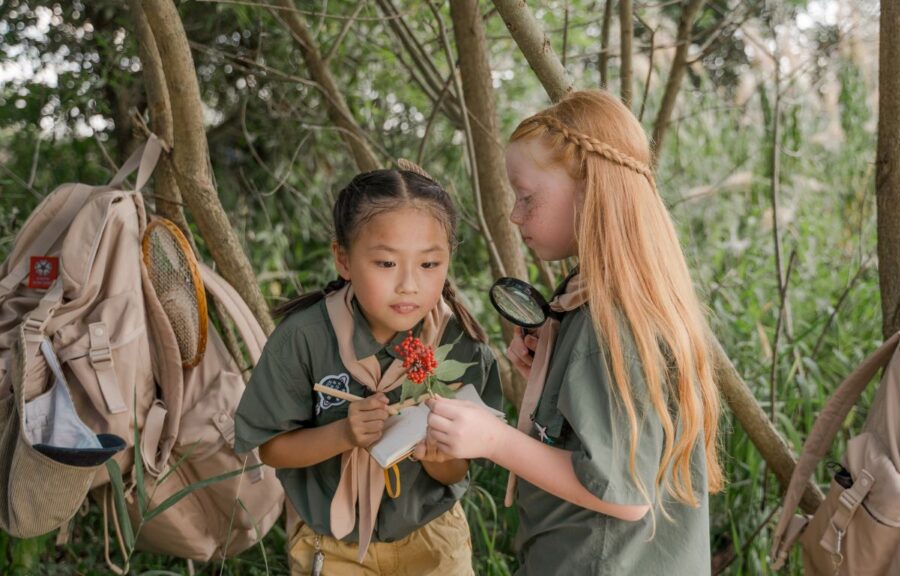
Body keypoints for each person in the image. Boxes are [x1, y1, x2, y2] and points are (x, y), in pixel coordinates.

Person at [425, 90, 723, 575]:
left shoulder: (610, 322)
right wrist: (554, 369)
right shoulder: (614, 300)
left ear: (588, 190)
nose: (515, 215)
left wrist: (493, 441)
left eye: (527, 197)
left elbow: (624, 496)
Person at [234, 169, 502, 575]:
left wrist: (436, 457)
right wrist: (343, 434)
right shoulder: (304, 339)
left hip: (432, 537)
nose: (409, 284)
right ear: (343, 258)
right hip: (334, 545)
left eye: (430, 263)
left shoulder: (460, 347)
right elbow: (272, 447)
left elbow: (456, 469)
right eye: (386, 262)